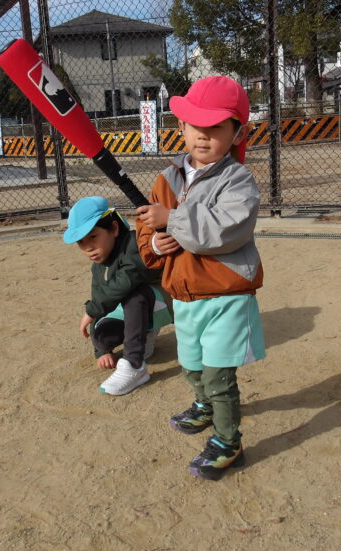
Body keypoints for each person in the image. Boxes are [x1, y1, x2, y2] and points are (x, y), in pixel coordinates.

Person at [136, 76, 265, 480]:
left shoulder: (238, 180)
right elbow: (145, 225)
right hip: (184, 292)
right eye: (196, 125)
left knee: (218, 374)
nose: (204, 135)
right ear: (181, 127)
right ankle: (204, 405)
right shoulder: (167, 178)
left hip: (226, 294)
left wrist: (172, 220)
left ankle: (229, 442)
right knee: (191, 365)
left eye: (217, 127)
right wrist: (155, 245)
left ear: (237, 133)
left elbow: (227, 229)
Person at [64, 196, 172, 396]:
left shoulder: (134, 243)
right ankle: (136, 340)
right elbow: (98, 299)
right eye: (80, 242)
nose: (88, 247)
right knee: (101, 332)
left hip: (166, 302)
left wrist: (92, 310)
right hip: (133, 310)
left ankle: (134, 363)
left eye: (93, 236)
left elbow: (128, 278)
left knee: (133, 294)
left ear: (114, 229)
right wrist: (101, 351)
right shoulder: (98, 265)